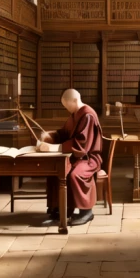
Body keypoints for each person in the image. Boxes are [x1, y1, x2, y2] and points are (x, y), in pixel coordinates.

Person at [37, 88, 103, 226]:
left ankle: (86, 211)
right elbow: (64, 133)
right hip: (77, 156)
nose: (65, 108)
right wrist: (49, 136)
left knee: (74, 174)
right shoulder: (75, 114)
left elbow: (82, 143)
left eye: (66, 104)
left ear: (74, 100)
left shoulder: (87, 115)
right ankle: (61, 209)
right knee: (56, 170)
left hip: (89, 158)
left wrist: (57, 147)